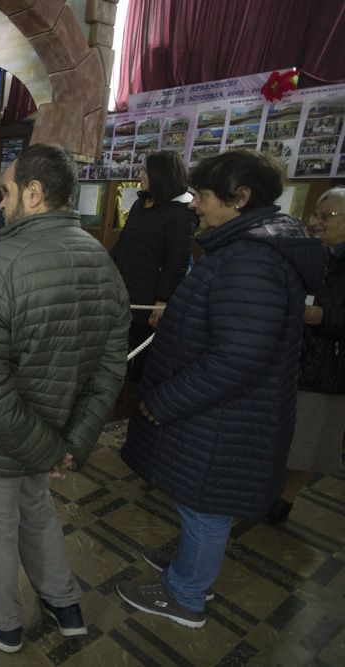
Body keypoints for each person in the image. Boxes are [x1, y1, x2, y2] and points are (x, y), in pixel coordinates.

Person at [117, 151, 324, 629]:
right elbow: (234, 329)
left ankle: (185, 595)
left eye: (204, 196)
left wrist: (164, 399)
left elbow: (238, 358)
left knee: (206, 505)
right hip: (220, 414)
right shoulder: (243, 248)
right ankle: (189, 562)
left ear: (240, 199)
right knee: (199, 502)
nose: (194, 205)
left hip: (226, 418)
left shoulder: (251, 260)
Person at [0, 144, 130, 653]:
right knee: (38, 512)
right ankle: (64, 602)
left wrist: (51, 448)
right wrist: (70, 442)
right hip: (52, 435)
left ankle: (1, 621)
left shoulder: (2, 265)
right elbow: (110, 369)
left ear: (34, 193)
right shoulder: (102, 260)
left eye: (5, 191)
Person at [266, 186, 345, 523]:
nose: (315, 221)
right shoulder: (315, 254)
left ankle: (284, 499)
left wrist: (323, 317)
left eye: (324, 215)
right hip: (293, 359)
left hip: (328, 367)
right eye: (314, 214)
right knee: (280, 436)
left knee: (310, 443)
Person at [111, 151, 196, 378]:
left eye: (145, 170)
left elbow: (176, 261)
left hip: (148, 297)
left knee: (140, 355)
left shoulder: (180, 213)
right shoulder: (142, 203)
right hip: (124, 288)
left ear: (161, 174)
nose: (140, 174)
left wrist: (162, 300)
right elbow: (123, 242)